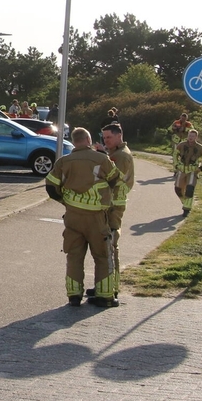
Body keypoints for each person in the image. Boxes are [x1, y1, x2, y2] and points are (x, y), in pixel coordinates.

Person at [45, 127, 121, 308]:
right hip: (96, 217)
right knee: (102, 256)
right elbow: (115, 179)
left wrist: (65, 201)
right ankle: (104, 297)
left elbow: (50, 187)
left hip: (73, 217)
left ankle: (74, 296)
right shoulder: (101, 159)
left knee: (74, 256)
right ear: (88, 139)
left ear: (74, 141)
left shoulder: (64, 162)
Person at [92, 123, 134, 300]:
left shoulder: (121, 156)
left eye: (109, 137)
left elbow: (113, 178)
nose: (106, 140)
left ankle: (111, 287)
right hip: (111, 203)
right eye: (104, 138)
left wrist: (101, 156)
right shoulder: (116, 153)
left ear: (119, 136)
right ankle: (105, 285)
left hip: (113, 205)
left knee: (110, 245)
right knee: (106, 245)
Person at [173, 129, 202, 215]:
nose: (190, 138)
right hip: (182, 170)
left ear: (196, 137)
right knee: (177, 189)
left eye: (192, 136)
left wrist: (201, 168)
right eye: (189, 136)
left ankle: (186, 209)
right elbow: (175, 154)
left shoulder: (200, 148)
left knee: (190, 189)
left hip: (193, 171)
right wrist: (176, 164)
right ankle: (184, 201)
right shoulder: (181, 145)